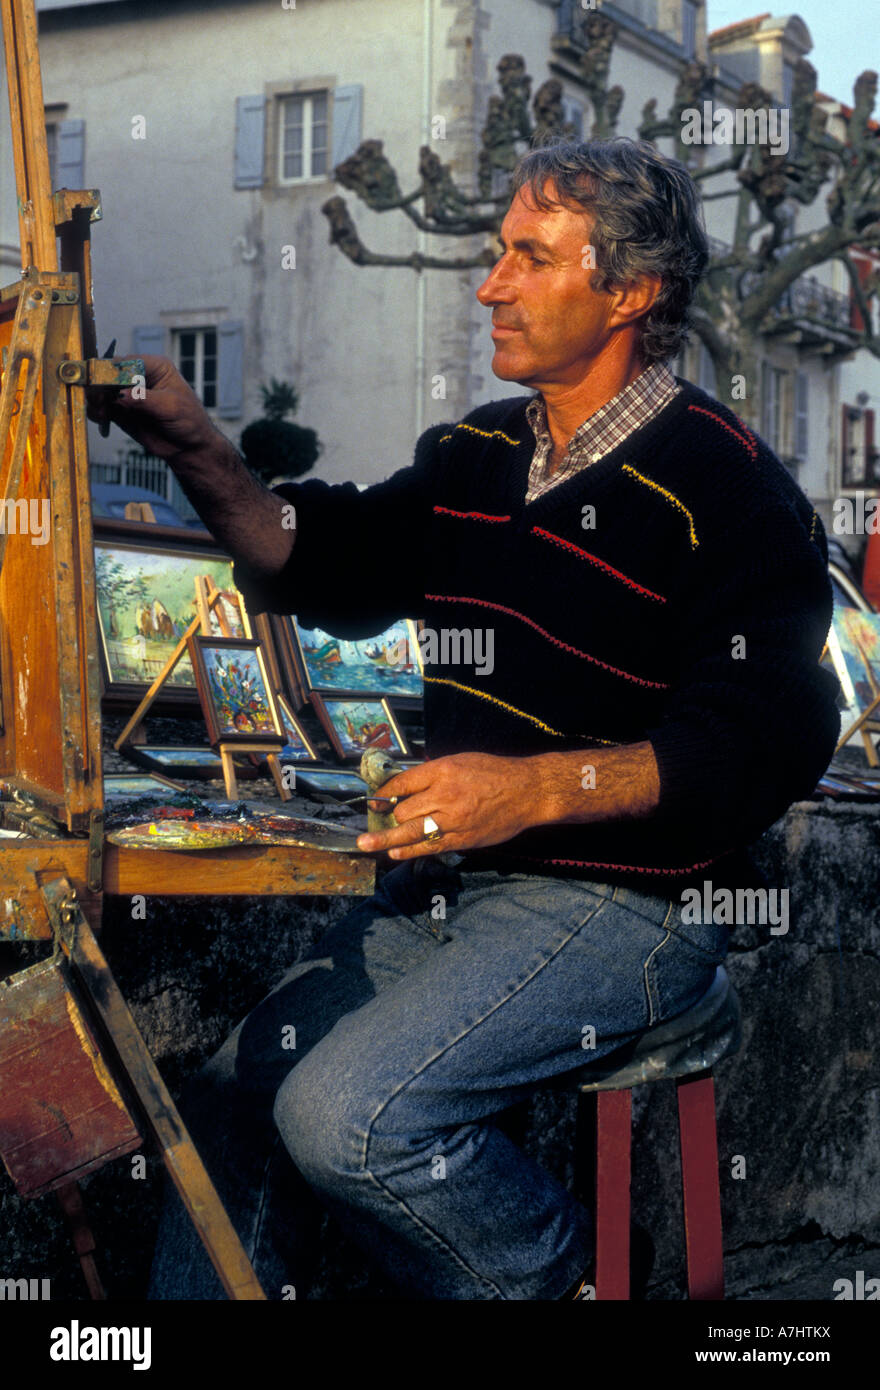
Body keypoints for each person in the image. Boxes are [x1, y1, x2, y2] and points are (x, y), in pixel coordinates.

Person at [91, 137, 840, 1300]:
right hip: (448, 895)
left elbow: (779, 728)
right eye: (497, 255)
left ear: (631, 290)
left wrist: (535, 788)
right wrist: (196, 448)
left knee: (349, 1117)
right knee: (234, 1103)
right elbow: (320, 559)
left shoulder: (729, 485)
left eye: (529, 259)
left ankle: (568, 1284)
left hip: (629, 904)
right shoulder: (479, 450)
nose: (489, 285)